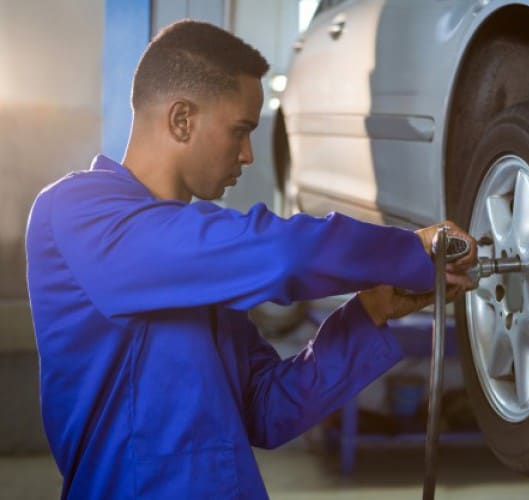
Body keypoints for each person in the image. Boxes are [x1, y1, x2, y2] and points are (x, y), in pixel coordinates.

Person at [26, 20, 477, 499]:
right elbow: (286, 253)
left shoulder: (198, 264)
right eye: (240, 131)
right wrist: (406, 251)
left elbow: (267, 409)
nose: (248, 156)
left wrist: (371, 313)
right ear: (182, 120)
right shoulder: (76, 212)